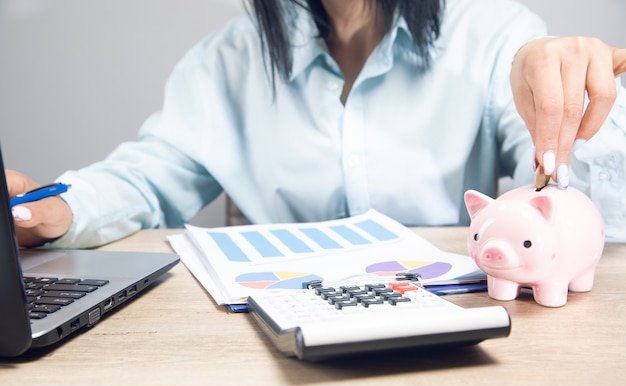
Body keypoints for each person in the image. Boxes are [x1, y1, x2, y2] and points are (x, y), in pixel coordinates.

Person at [7, 0, 626, 248]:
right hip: (281, 347)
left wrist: (585, 118)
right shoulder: (230, 60)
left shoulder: (497, 37)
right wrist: (61, 209)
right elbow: (147, 178)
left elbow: (558, 202)